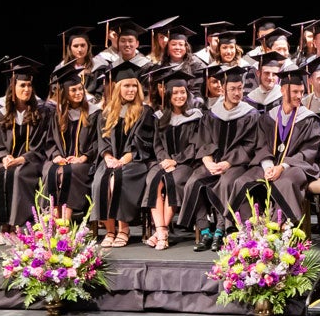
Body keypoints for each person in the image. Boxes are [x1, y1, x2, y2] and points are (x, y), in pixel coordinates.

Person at [222, 63, 320, 230]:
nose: (300, 96)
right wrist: (269, 166)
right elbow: (260, 145)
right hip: (269, 164)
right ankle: (252, 227)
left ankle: (280, 227)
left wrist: (282, 167)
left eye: (301, 92)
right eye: (295, 92)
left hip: (296, 166)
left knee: (285, 182)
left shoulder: (309, 120)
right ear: (283, 91)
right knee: (242, 181)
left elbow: (309, 151)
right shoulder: (268, 117)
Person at [179, 65, 262, 251]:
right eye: (232, 89)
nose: (237, 93)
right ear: (223, 90)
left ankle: (221, 230)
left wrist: (227, 163)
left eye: (240, 88)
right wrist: (208, 161)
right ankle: (205, 231)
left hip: (236, 164)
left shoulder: (250, 114)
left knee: (225, 183)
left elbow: (250, 145)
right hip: (213, 162)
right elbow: (203, 141)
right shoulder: (212, 114)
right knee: (194, 181)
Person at [90, 61, 156, 248]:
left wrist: (124, 159)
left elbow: (143, 142)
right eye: (126, 86)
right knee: (100, 180)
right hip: (111, 161)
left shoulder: (145, 112)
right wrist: (108, 157)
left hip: (134, 162)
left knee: (116, 180)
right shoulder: (107, 113)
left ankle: (123, 228)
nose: (131, 90)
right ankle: (110, 230)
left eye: (134, 86)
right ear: (118, 88)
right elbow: (102, 141)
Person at [0, 60, 51, 245]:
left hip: (32, 161)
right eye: (22, 85)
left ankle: (16, 227)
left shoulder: (41, 112)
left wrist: (23, 158)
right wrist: (3, 156)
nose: (27, 89)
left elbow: (42, 144)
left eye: (30, 85)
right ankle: (2, 227)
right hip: (8, 160)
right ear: (13, 87)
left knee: (18, 174)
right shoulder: (1, 113)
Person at [142, 70, 203, 251]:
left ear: (187, 93)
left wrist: (175, 161)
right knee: (153, 180)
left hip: (186, 163)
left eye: (182, 92)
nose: (179, 96)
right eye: (175, 93)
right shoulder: (160, 117)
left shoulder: (195, 115)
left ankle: (160, 231)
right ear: (168, 95)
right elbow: (157, 145)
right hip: (164, 161)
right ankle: (162, 231)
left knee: (174, 181)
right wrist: (164, 159)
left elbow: (195, 145)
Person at [42, 63, 101, 222]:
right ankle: (53, 219)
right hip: (62, 159)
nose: (78, 93)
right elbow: (49, 141)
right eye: (73, 90)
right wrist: (56, 156)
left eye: (80, 89)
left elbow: (98, 141)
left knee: (68, 171)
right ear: (65, 93)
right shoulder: (57, 114)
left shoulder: (94, 113)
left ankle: (64, 221)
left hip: (84, 163)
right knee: (53, 170)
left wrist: (83, 157)